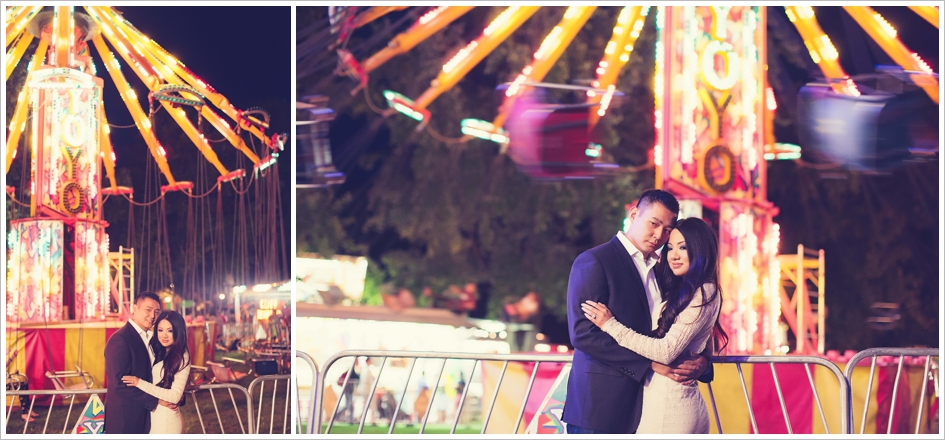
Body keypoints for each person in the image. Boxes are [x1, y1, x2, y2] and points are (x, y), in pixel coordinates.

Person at [561, 189, 713, 434]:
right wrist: (651, 364)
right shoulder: (595, 261)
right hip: (601, 407)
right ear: (634, 215)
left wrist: (704, 361)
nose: (658, 235)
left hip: (650, 407)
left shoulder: (663, 270)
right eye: (653, 223)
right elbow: (583, 334)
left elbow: (687, 324)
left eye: (666, 229)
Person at [583, 217, 728, 433]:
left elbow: (667, 351)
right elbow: (700, 334)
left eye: (683, 247)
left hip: (669, 408)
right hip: (670, 402)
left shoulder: (704, 291)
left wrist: (610, 325)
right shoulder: (682, 287)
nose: (674, 255)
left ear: (700, 249)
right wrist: (704, 358)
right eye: (670, 248)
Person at [104, 292, 175, 434]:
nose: (153, 316)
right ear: (135, 309)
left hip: (148, 417)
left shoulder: (153, 339)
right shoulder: (120, 339)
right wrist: (155, 400)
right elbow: (119, 384)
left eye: (156, 312)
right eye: (148, 310)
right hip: (125, 418)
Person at [122, 310, 192, 434]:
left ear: (178, 331)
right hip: (153, 416)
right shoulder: (159, 350)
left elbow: (175, 396)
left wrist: (139, 383)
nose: (164, 335)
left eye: (170, 331)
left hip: (166, 421)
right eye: (160, 330)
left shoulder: (182, 356)